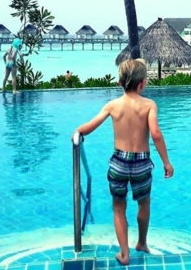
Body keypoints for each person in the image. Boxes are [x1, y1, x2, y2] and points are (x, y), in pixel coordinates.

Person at [74, 58, 174, 264]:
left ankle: (124, 254)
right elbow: (155, 133)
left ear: (119, 83)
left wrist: (77, 133)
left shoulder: (112, 106)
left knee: (119, 207)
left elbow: (90, 127)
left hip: (119, 162)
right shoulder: (149, 105)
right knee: (144, 203)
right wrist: (166, 161)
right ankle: (142, 243)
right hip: (141, 163)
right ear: (143, 83)